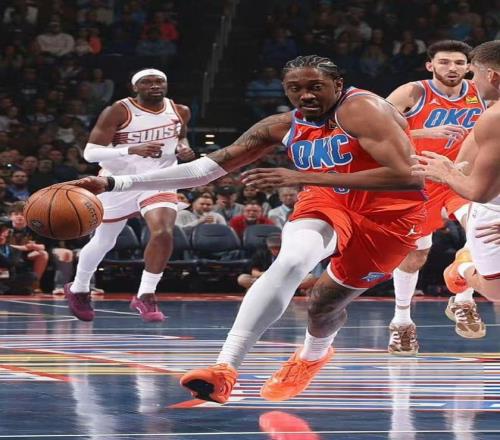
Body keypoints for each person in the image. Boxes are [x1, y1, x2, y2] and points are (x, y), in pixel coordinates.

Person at [75, 55, 426, 404]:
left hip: (390, 215)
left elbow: (408, 176)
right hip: (327, 200)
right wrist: (115, 183)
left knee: (323, 306)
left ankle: (312, 356)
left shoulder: (362, 109)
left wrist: (300, 176)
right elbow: (204, 170)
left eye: (315, 87)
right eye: (295, 88)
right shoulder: (282, 125)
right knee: (292, 260)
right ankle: (224, 369)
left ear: (338, 85)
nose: (305, 95)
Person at [64, 67, 195, 323]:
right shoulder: (118, 111)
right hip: (118, 181)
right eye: (147, 82)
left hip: (159, 178)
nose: (155, 86)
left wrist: (183, 148)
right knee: (104, 242)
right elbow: (90, 153)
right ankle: (79, 288)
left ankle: (146, 294)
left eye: (160, 81)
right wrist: (132, 150)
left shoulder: (180, 110)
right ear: (135, 87)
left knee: (163, 232)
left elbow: (181, 138)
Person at [385, 40, 486, 354]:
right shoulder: (413, 93)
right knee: (415, 255)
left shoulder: (482, 92)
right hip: (419, 181)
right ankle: (402, 322)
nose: (452, 68)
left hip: (461, 176)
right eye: (444, 62)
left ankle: (463, 299)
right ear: (430, 65)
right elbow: (371, 131)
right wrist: (422, 133)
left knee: (484, 230)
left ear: (469, 67)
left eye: (459, 62)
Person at [412, 40, 500, 304]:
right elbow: (469, 174)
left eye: (473, 74)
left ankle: (462, 266)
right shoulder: (490, 117)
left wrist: (446, 172)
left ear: (492, 76)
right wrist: (453, 171)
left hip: (485, 200)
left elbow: (478, 191)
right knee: (496, 292)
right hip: (491, 211)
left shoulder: (493, 117)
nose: (471, 83)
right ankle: (462, 267)